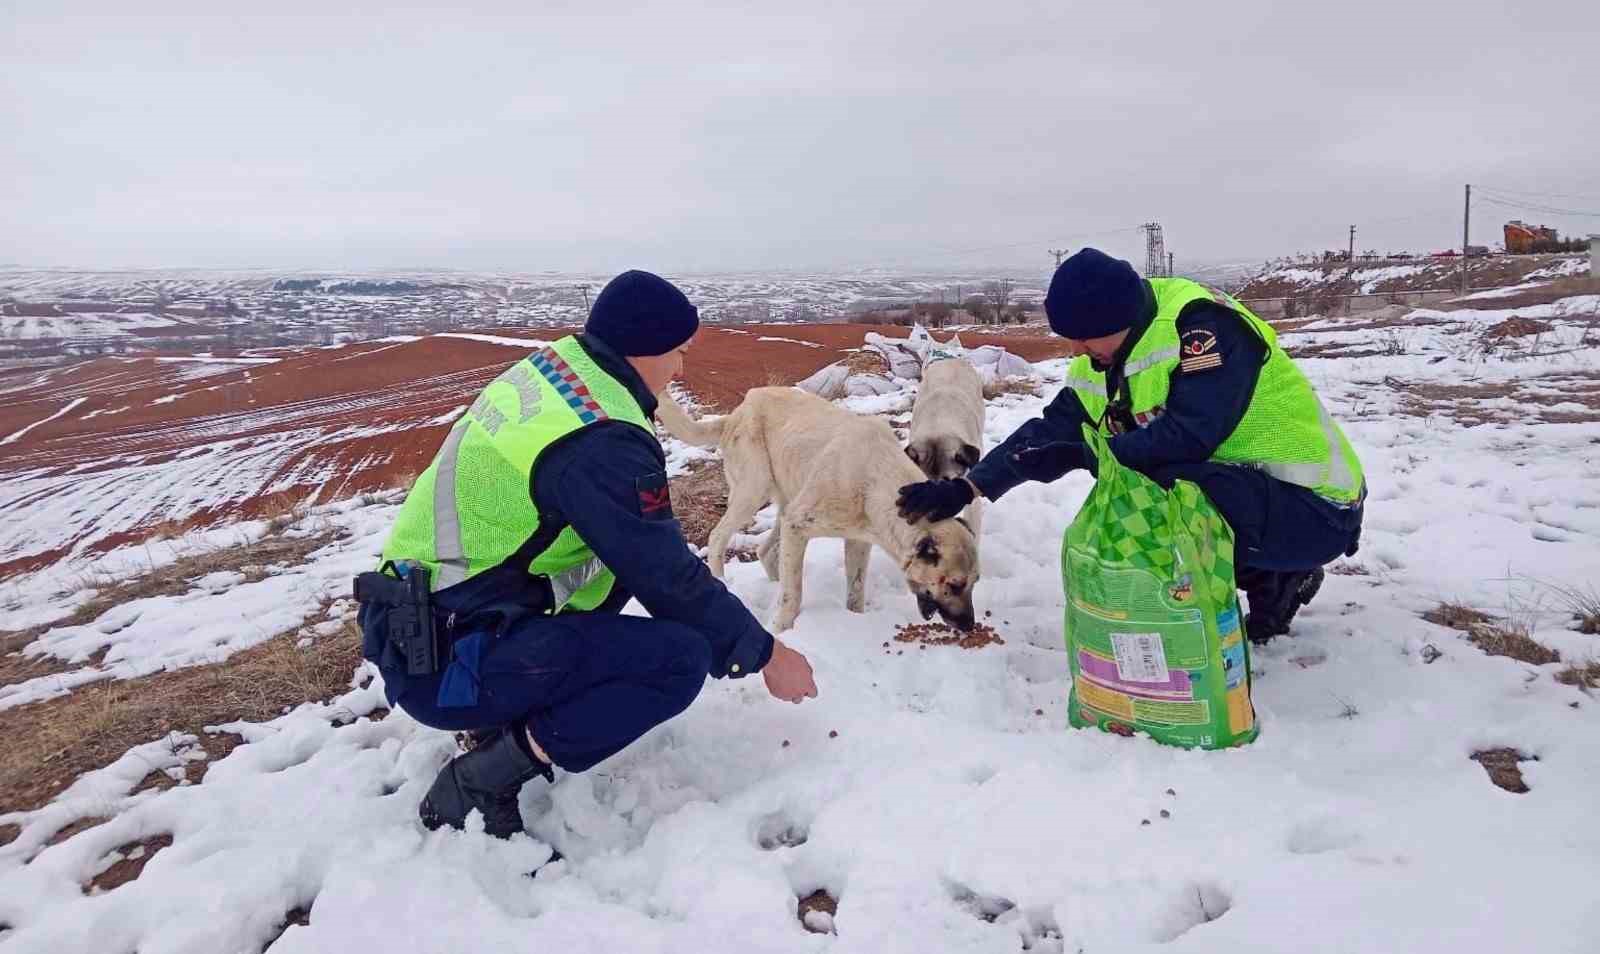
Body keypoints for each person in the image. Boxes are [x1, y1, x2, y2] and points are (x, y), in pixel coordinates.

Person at [356, 269, 817, 839]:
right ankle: (483, 777)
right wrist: (764, 652)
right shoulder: (602, 440)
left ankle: (505, 711)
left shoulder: (559, 373)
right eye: (676, 352)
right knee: (677, 659)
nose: (680, 368)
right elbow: (666, 576)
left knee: (611, 565)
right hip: (448, 663)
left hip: (421, 622)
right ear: (642, 349)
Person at [896, 248, 1365, 644]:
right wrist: (966, 488)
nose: (1077, 349)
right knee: (1140, 492)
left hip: (1315, 510)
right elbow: (1051, 431)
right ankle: (1267, 577)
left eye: (1083, 336)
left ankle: (1280, 572)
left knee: (1158, 487)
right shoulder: (1105, 360)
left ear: (1116, 318)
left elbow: (1192, 434)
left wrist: (1093, 454)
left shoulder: (1202, 327)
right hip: (1249, 495)